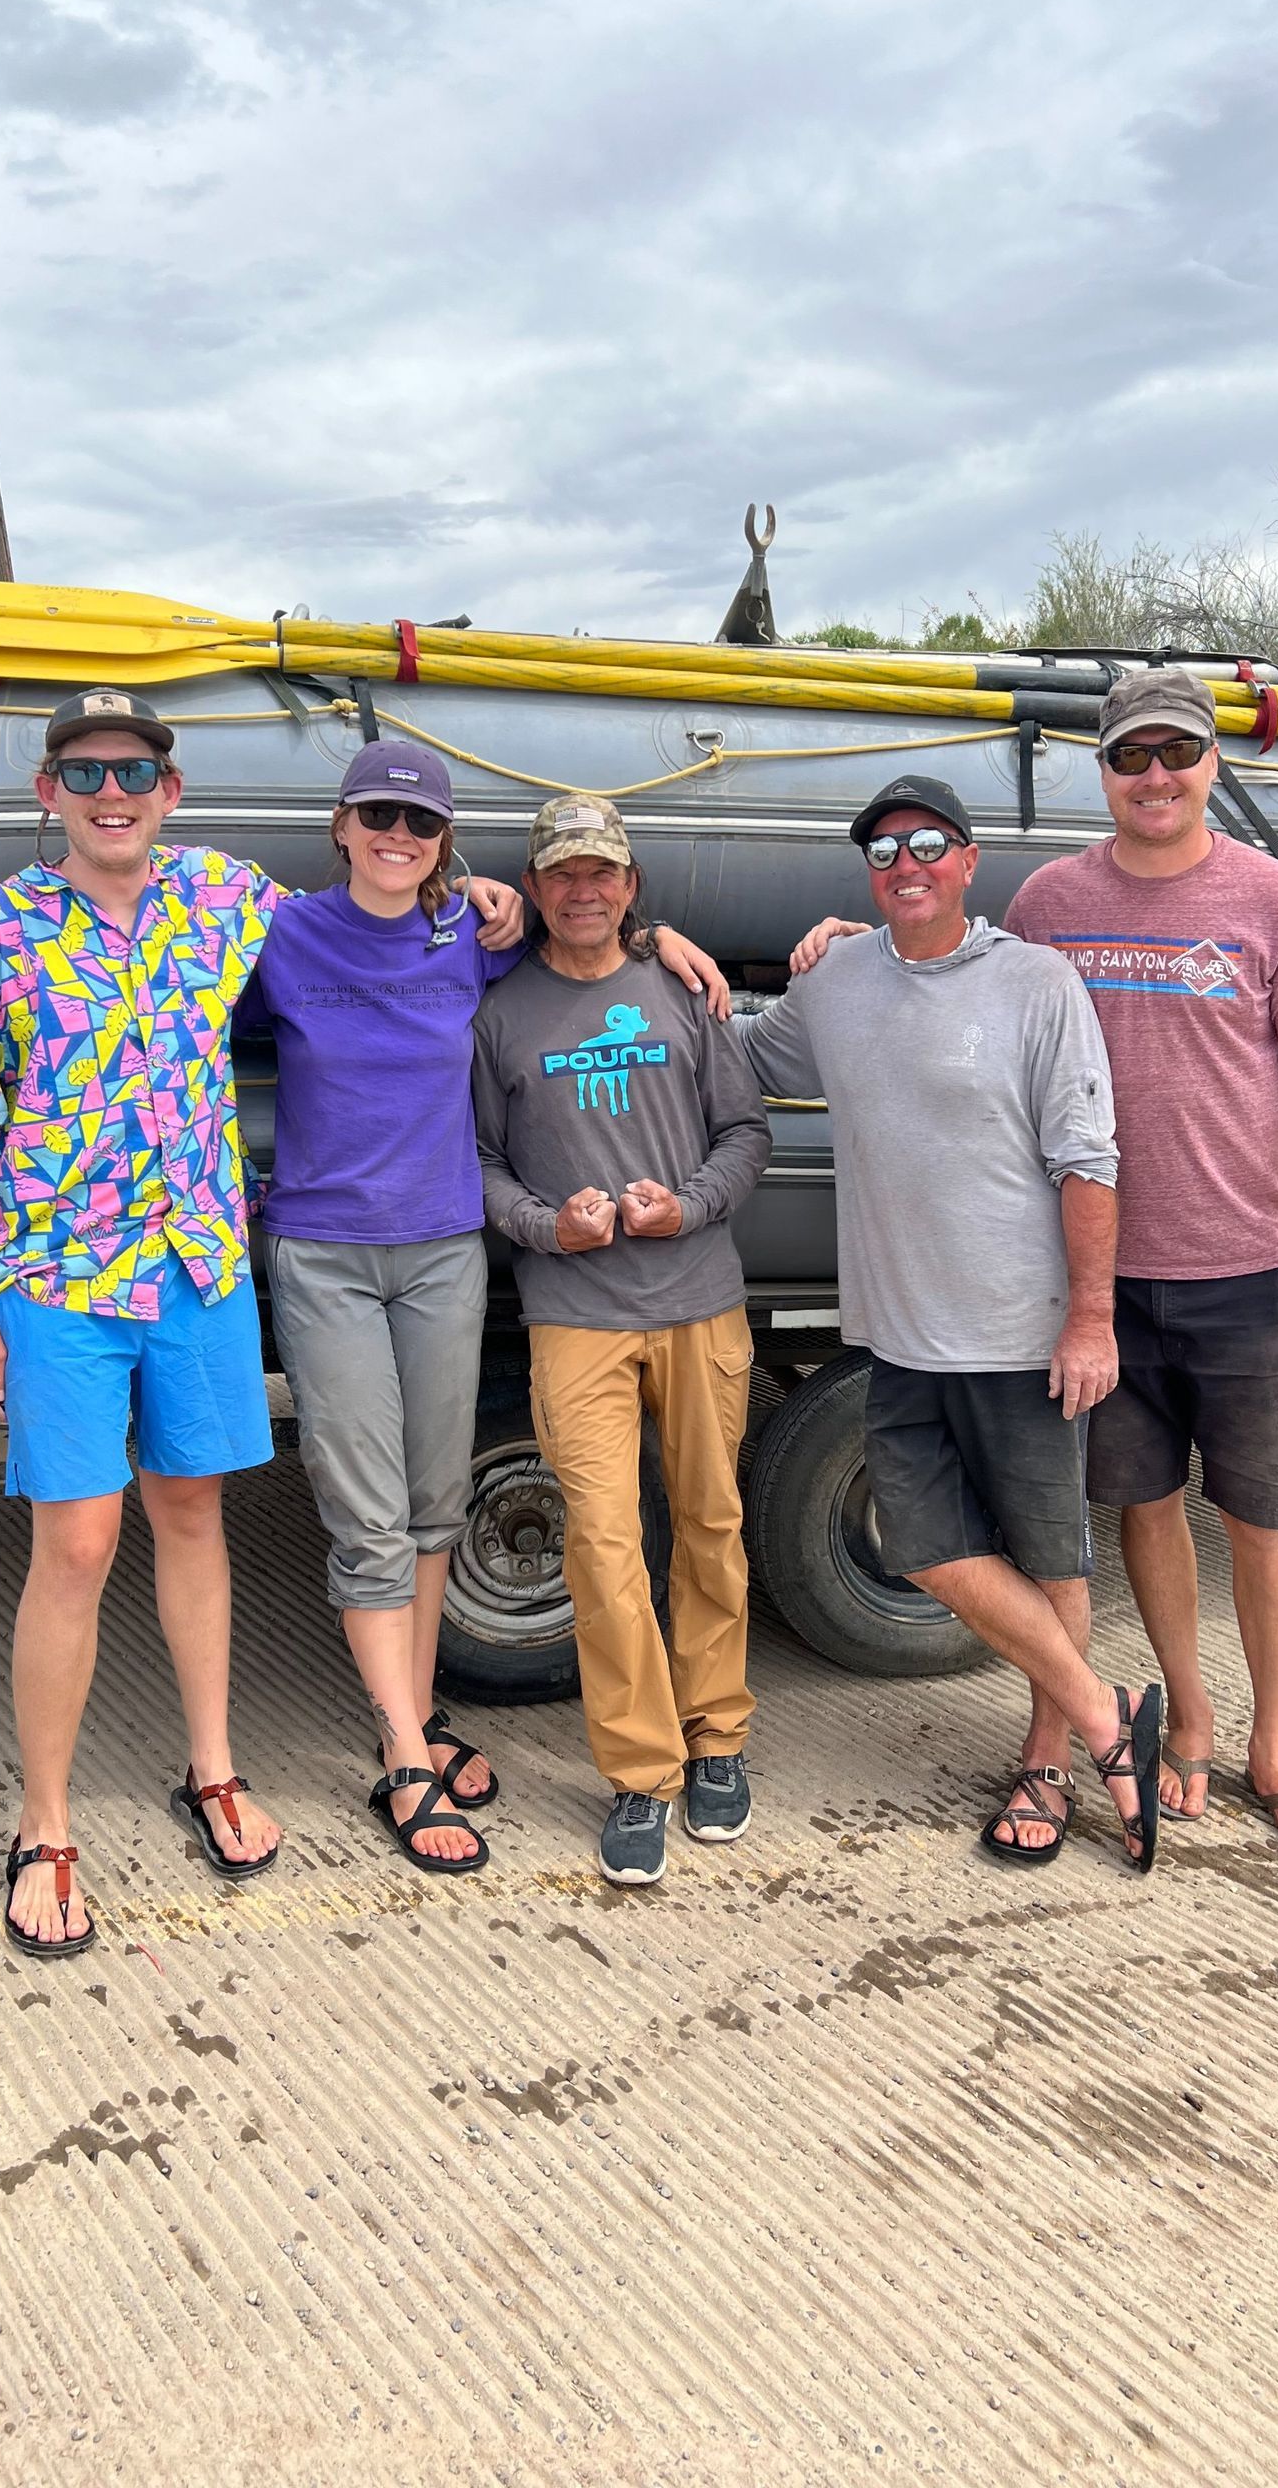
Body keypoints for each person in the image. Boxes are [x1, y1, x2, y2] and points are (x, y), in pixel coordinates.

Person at [0, 690, 528, 1952]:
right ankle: (45, 1822)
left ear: (171, 790)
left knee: (193, 1515)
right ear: (49, 793)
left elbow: (380, 921)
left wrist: (523, 909)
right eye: (85, 771)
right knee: (77, 1544)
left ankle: (212, 1768)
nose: (111, 790)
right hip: (61, 1278)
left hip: (198, 1265)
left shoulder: (228, 899)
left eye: (136, 768)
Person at [240, 744, 729, 1876]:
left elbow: (589, 949)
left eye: (419, 820)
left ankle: (410, 1712)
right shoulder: (282, 935)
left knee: (435, 1503)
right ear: (342, 824)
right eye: (378, 814)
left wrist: (662, 943)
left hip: (445, 1246)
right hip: (328, 1251)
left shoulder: (468, 933)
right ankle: (407, 1757)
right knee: (365, 1512)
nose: (397, 835)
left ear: (445, 839)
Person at [742, 774, 1165, 1872]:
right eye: (883, 853)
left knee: (1049, 1560)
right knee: (928, 1550)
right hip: (895, 1334)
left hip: (1021, 1333)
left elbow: (1089, 1160)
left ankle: (1047, 1760)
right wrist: (688, 965)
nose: (906, 864)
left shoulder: (1035, 982)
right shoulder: (836, 982)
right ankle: (1108, 1712)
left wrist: (1090, 1319)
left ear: (970, 862)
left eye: (927, 843)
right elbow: (741, 1056)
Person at [1005, 668, 1278, 1863]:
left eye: (1176, 752)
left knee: (1262, 1519)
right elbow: (967, 1002)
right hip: (1100, 1287)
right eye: (1129, 756)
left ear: (1213, 762)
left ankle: (1276, 1741)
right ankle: (1191, 1716)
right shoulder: (1050, 903)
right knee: (1144, 1508)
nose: (1153, 775)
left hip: (1242, 1271)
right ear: (1099, 770)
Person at [472, 796, 771, 1886]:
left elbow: (747, 1133)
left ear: (631, 887)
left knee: (709, 1523)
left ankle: (718, 1741)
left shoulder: (683, 992)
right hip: (575, 1318)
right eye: (563, 874)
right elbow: (480, 1164)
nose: (584, 890)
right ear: (540, 887)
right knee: (601, 1547)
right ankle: (640, 1772)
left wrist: (681, 1208)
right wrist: (548, 1225)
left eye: (603, 873)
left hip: (697, 1298)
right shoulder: (499, 1014)